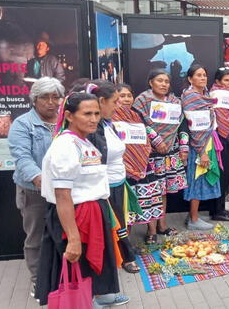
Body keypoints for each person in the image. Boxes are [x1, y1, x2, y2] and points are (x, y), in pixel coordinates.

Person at [35, 92, 129, 307]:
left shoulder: (82, 141)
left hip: (91, 212)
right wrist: (73, 237)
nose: (94, 118)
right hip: (75, 216)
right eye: (86, 113)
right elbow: (62, 195)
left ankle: (94, 298)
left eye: (96, 113)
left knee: (89, 264)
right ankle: (84, 302)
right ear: (69, 115)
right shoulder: (65, 146)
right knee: (77, 264)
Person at [8, 77, 64, 297]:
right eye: (45, 97)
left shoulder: (65, 120)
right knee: (36, 237)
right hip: (34, 192)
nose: (51, 102)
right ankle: (37, 280)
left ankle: (60, 275)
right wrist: (40, 180)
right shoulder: (23, 124)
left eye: (55, 97)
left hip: (64, 190)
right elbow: (22, 158)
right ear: (34, 99)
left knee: (63, 234)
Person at [80, 80, 141, 276]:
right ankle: (125, 257)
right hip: (104, 186)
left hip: (118, 182)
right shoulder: (92, 130)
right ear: (101, 101)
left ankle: (124, 253)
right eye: (115, 101)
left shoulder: (108, 124)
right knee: (115, 223)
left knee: (121, 221)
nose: (118, 105)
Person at [132, 69, 189, 243]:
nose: (164, 84)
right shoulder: (142, 101)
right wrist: (156, 140)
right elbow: (138, 123)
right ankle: (151, 230)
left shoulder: (175, 101)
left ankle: (162, 226)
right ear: (151, 82)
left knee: (163, 191)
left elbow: (182, 125)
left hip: (170, 154)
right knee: (151, 192)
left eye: (166, 81)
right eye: (159, 80)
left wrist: (184, 147)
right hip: (150, 155)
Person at [181, 65, 221, 230]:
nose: (203, 78)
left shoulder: (206, 95)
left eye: (204, 75)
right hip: (198, 145)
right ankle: (193, 220)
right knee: (196, 180)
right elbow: (194, 127)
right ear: (190, 79)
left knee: (201, 179)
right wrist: (201, 152)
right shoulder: (191, 97)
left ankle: (193, 214)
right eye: (198, 75)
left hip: (207, 143)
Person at [112, 84, 153, 228]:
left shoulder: (137, 115)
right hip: (119, 168)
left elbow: (145, 137)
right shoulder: (110, 117)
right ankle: (124, 243)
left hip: (139, 164)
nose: (127, 99)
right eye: (122, 96)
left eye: (129, 96)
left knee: (136, 202)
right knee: (123, 205)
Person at [210, 67, 229, 219]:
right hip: (223, 141)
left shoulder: (225, 93)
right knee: (222, 176)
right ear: (218, 82)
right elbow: (223, 122)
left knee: (225, 175)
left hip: (224, 140)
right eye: (226, 80)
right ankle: (217, 211)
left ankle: (220, 207)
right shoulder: (221, 95)